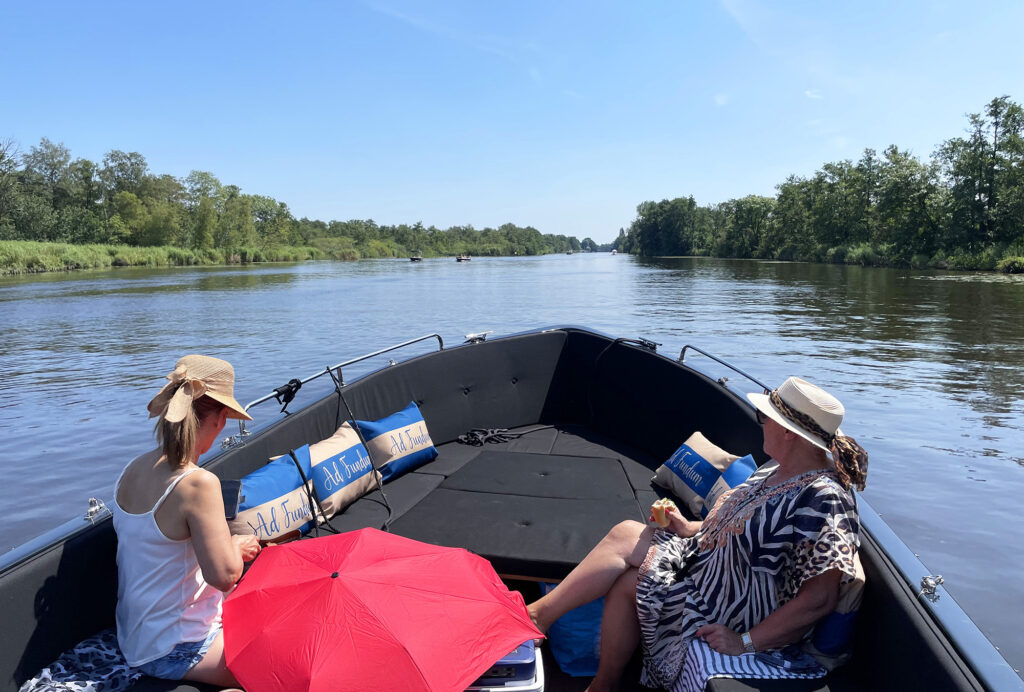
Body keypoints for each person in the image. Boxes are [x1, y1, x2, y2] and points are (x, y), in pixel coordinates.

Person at [527, 376, 868, 692]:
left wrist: (744, 641)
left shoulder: (823, 499)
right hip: (710, 571)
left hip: (736, 607)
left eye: (765, 417)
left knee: (629, 553)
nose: (761, 422)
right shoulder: (778, 467)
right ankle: (598, 678)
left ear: (789, 432)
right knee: (627, 558)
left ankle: (539, 619)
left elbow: (819, 599)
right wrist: (686, 527)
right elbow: (734, 522)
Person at [112, 355, 261, 687]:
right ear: (220, 419)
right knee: (288, 664)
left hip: (136, 637)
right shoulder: (198, 483)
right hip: (175, 648)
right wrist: (234, 544)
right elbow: (224, 576)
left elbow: (162, 551)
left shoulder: (132, 469)